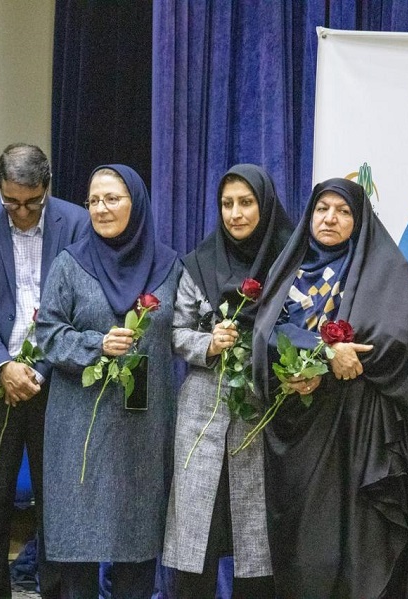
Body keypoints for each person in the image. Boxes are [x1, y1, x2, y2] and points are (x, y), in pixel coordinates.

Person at [251, 178, 408, 598]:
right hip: (296, 426)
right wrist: (323, 353)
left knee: (353, 550)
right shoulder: (288, 265)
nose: (330, 219)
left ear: (360, 220)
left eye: (343, 211)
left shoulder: (385, 268)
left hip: (356, 430)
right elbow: (265, 331)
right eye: (322, 209)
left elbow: (398, 336)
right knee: (304, 551)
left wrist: (338, 359)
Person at [35, 165, 181, 599]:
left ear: (137, 203)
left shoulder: (170, 266)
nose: (100, 209)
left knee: (137, 542)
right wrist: (95, 344)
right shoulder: (70, 264)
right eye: (93, 200)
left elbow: (185, 331)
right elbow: (48, 334)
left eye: (112, 199)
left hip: (144, 426)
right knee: (78, 542)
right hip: (79, 424)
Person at [162, 164, 292, 597]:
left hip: (261, 417)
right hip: (202, 417)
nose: (235, 214)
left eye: (246, 203)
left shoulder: (288, 264)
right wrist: (209, 344)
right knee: (196, 539)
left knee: (255, 545)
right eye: (227, 204)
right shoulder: (199, 264)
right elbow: (176, 332)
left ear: (265, 206)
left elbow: (300, 329)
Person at [0, 143, 88, 599]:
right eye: (11, 202)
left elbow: (82, 307)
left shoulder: (76, 223)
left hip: (56, 384)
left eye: (31, 203)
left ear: (46, 188)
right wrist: (2, 365)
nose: (20, 212)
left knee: (57, 505)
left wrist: (41, 368)